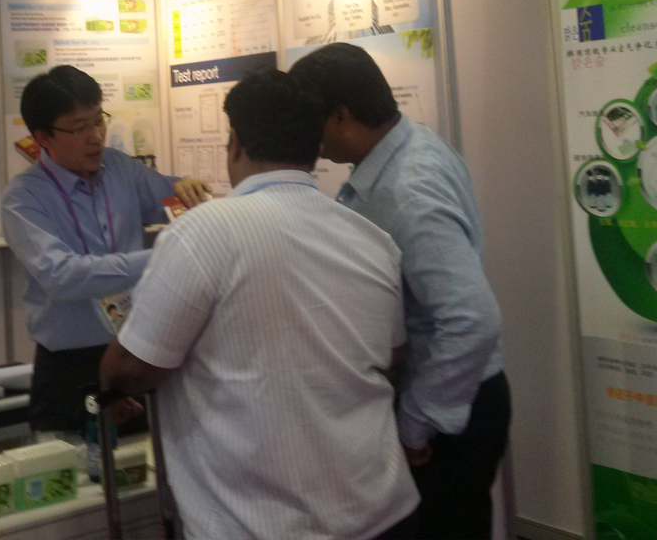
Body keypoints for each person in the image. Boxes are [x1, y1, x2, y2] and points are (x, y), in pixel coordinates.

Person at [101, 68, 419, 540]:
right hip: (383, 512)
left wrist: (110, 376)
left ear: (235, 144)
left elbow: (134, 367)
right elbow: (392, 358)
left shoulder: (203, 231)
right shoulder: (373, 239)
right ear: (316, 147)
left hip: (259, 524)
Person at [289, 43, 509, 540]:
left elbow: (472, 319)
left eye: (312, 120)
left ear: (340, 115)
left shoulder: (407, 190)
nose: (309, 137)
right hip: (455, 395)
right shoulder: (408, 150)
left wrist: (415, 423)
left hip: (449, 406)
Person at [2, 65, 209, 435]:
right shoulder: (24, 198)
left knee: (148, 459)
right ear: (43, 137)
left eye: (99, 120)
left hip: (135, 352)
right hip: (69, 366)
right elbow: (62, 276)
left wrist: (185, 189)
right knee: (71, 466)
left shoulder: (120, 168)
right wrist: (161, 258)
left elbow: (168, 197)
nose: (96, 136)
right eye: (79, 128)